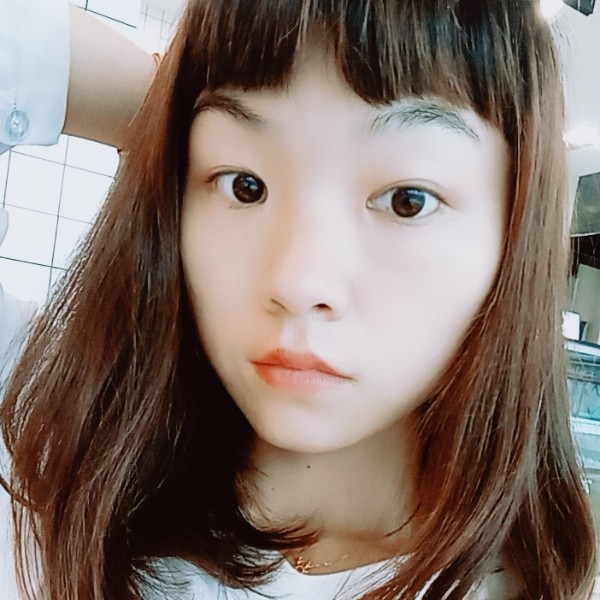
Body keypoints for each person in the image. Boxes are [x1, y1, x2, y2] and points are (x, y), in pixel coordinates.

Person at [0, 0, 598, 598]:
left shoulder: (545, 584)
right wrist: (167, 115)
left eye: (406, 201)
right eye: (245, 186)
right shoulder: (42, 442)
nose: (297, 282)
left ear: (515, 231)